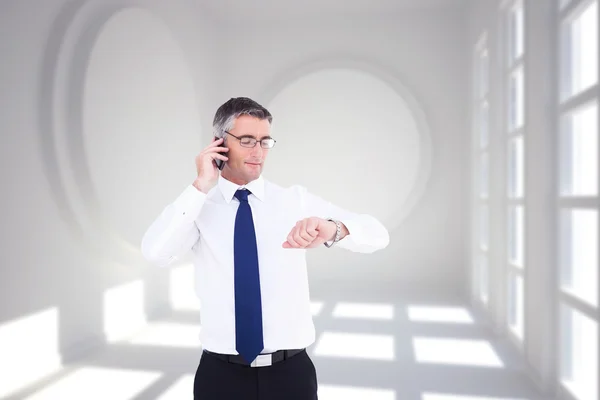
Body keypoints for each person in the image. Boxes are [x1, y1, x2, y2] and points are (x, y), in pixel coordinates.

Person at [140, 97, 390, 400]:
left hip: (290, 375)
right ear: (219, 143)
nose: (258, 152)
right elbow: (156, 252)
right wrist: (201, 185)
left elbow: (378, 235)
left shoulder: (293, 201)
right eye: (247, 140)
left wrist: (333, 229)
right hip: (220, 376)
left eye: (264, 141)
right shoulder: (197, 206)